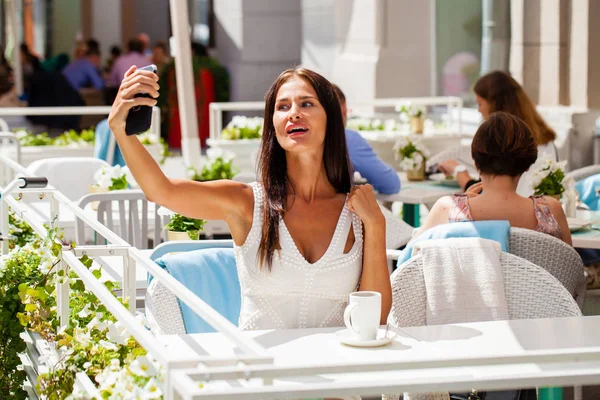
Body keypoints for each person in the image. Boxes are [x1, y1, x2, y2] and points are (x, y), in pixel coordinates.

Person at [108, 66, 391, 330]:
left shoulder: (357, 211)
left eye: (306, 104)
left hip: (338, 372)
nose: (293, 113)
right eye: (283, 107)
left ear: (331, 118)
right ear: (274, 125)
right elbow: (162, 191)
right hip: (259, 373)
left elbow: (375, 319)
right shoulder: (247, 202)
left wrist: (376, 225)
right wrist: (121, 130)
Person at [417, 112, 571, 245]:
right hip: (540, 280)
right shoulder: (550, 211)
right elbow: (570, 271)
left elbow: (412, 255)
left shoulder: (449, 209)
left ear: (476, 163)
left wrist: (463, 201)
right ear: (527, 165)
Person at [438, 71, 558, 196]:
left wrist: (459, 171)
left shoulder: (504, 142)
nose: (478, 110)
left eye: (480, 104)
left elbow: (491, 195)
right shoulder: (543, 140)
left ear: (496, 105)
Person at [332, 84, 400, 195]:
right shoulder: (347, 139)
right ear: (343, 110)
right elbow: (391, 184)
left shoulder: (297, 140)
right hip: (337, 210)